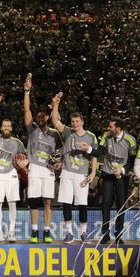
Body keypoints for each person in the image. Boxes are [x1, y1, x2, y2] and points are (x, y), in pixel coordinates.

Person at [51, 97, 99, 243]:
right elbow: (55, 121)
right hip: (67, 172)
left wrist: (93, 172)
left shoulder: (91, 136)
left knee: (82, 204)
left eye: (77, 122)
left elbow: (96, 155)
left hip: (82, 174)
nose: (75, 124)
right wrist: (56, 104)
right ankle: (69, 233)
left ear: (82, 122)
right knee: (66, 203)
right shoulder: (67, 133)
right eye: (73, 122)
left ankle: (83, 233)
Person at [23, 74, 62, 243]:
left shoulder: (55, 135)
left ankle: (46, 231)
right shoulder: (32, 130)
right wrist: (26, 91)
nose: (40, 119)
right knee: (34, 202)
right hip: (35, 169)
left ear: (47, 118)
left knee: (48, 202)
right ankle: (34, 232)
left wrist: (58, 164)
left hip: (48, 170)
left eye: (43, 117)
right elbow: (26, 110)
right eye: (37, 117)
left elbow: (60, 154)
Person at [0, 94, 25, 243]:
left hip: (11, 174)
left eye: (8, 126)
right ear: (1, 128)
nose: (6, 128)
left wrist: (24, 165)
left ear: (11, 128)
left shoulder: (17, 142)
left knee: (12, 203)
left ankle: (11, 233)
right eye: (4, 126)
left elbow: (25, 157)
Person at [99, 117, 136, 244]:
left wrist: (122, 170)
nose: (108, 129)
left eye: (111, 127)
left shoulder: (130, 140)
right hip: (107, 174)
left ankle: (119, 235)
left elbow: (132, 161)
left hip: (122, 176)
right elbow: (100, 152)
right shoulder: (106, 136)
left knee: (121, 205)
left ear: (118, 128)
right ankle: (105, 235)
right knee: (106, 204)